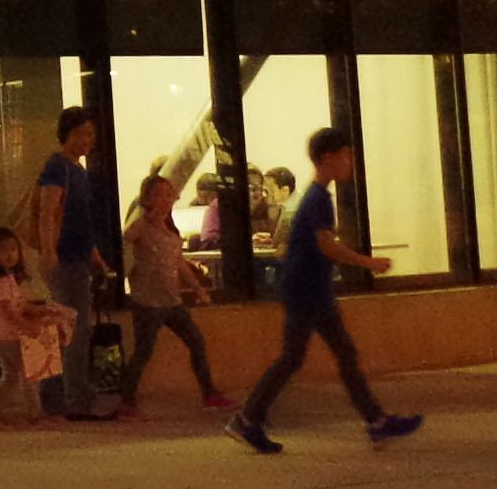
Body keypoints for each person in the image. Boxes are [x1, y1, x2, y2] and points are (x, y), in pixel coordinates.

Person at [235, 126, 423, 453]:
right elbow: (327, 246)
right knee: (298, 357)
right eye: (345, 154)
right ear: (327, 158)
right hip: (307, 290)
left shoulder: (316, 196)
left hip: (309, 288)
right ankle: (248, 418)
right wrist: (368, 263)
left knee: (330, 355)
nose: (350, 160)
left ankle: (375, 421)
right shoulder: (318, 198)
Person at [28, 107, 119, 417]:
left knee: (66, 327)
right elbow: (47, 212)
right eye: (80, 133)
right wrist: (48, 251)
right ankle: (76, 401)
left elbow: (81, 219)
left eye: (90, 134)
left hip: (78, 257)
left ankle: (57, 396)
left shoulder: (78, 171)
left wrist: (93, 255)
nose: (86, 140)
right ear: (65, 134)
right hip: (65, 258)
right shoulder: (58, 167)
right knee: (75, 330)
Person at [123, 170, 224, 410]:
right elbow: (124, 246)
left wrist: (198, 288)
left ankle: (209, 394)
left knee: (196, 342)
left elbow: (178, 263)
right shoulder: (140, 227)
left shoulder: (171, 231)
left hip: (172, 301)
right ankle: (126, 401)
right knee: (143, 352)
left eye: (169, 195)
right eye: (159, 195)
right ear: (146, 199)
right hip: (147, 302)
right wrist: (128, 275)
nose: (166, 200)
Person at [0, 226, 74, 426]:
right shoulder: (0, 282)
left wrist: (38, 310)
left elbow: (18, 305)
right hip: (10, 335)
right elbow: (8, 311)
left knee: (10, 374)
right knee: (30, 373)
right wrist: (27, 326)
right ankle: (34, 413)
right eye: (3, 250)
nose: (9, 255)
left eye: (13, 249)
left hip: (2, 336)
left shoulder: (6, 279)